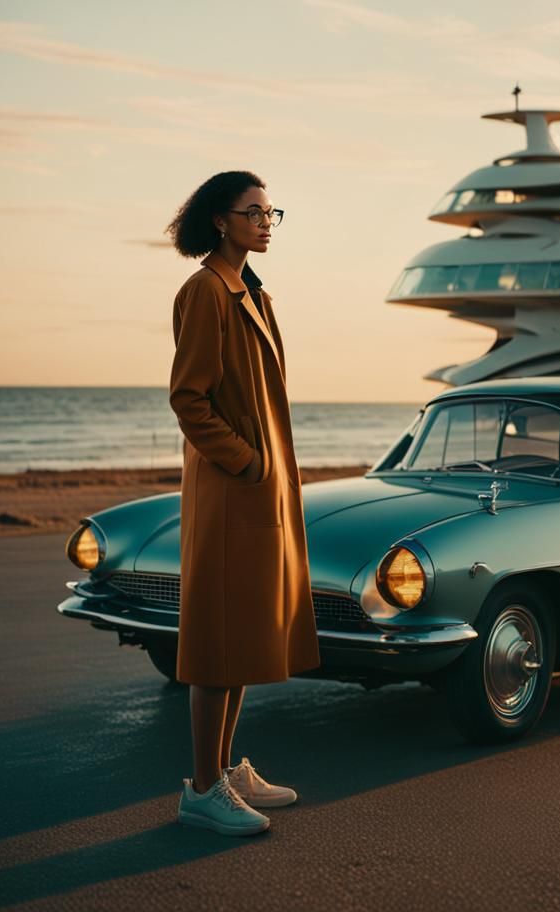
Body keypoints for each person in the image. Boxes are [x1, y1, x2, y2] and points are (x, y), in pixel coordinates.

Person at [165, 170, 321, 836]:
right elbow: (188, 398)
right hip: (232, 492)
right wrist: (247, 461)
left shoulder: (253, 291)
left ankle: (224, 771)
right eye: (252, 212)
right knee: (217, 641)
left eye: (270, 212)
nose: (265, 221)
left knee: (246, 632)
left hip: (258, 493)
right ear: (219, 221)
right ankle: (202, 787)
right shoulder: (205, 291)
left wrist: (268, 470)